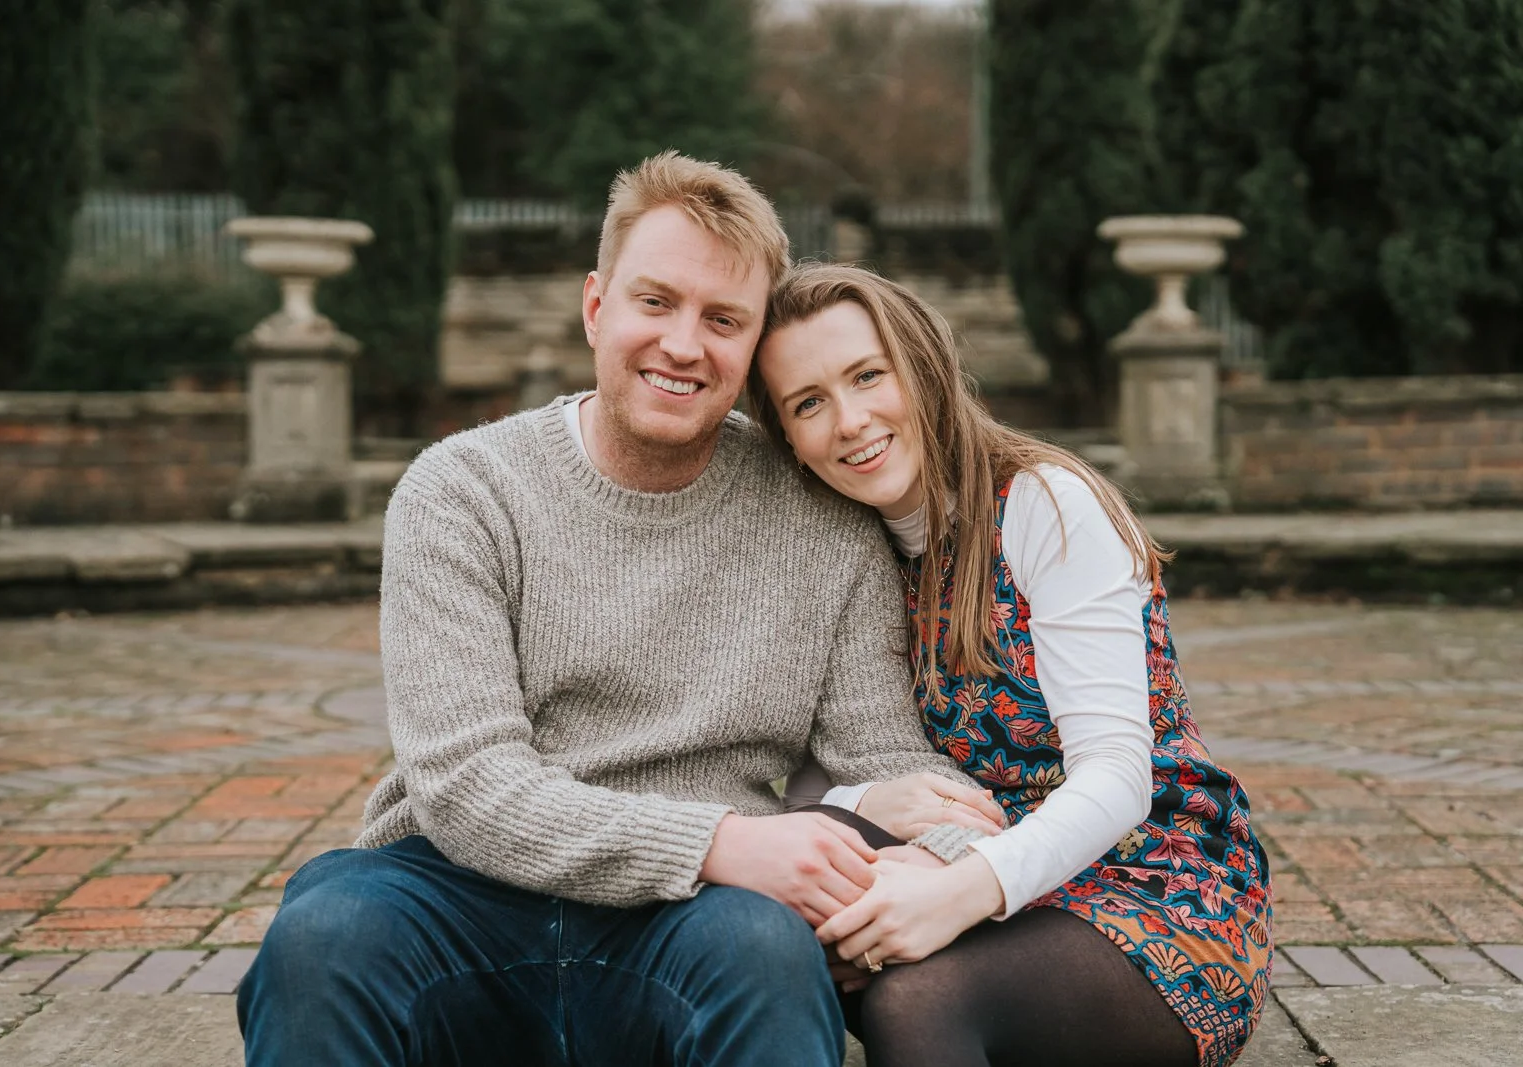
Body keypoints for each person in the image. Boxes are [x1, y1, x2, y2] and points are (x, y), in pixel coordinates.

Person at [235, 154, 1003, 1067]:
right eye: (656, 302)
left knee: (768, 951)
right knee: (322, 936)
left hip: (691, 923)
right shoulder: (463, 490)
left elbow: (890, 764)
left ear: (754, 347)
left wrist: (954, 865)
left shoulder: (823, 520)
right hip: (458, 891)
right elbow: (467, 786)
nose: (684, 345)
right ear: (596, 306)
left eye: (723, 320)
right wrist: (720, 840)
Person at [751, 263, 1273, 1067]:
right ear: (787, 435)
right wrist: (873, 795)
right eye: (809, 402)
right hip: (976, 870)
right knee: (786, 882)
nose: (850, 421)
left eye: (867, 375)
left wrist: (956, 893)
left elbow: (1119, 776)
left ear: (921, 369)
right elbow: (798, 785)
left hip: (1155, 887)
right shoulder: (836, 551)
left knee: (914, 997)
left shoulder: (1042, 502)